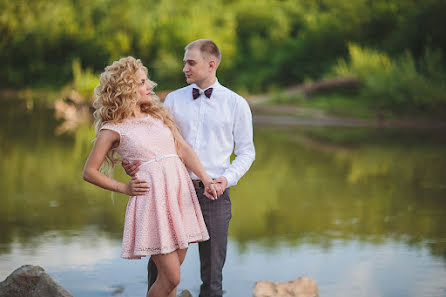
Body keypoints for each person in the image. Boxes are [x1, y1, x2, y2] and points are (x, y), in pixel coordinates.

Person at [123, 39, 255, 297]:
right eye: (185, 62)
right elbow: (153, 139)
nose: (184, 67)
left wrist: (226, 180)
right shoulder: (172, 99)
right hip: (171, 192)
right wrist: (134, 162)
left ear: (211, 64)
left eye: (190, 63)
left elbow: (247, 152)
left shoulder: (236, 104)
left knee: (212, 275)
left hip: (214, 194)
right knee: (161, 270)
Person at [82, 56, 220, 297]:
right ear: (126, 88)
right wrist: (124, 188)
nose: (150, 86)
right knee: (171, 277)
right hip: (153, 203)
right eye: (143, 82)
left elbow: (184, 149)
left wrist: (206, 179)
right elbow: (89, 172)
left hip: (179, 196)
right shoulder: (113, 129)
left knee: (172, 281)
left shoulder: (158, 116)